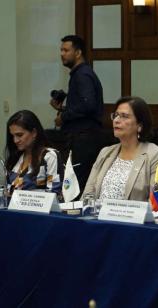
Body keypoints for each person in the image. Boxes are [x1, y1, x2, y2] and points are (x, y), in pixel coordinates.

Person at [83, 96, 158, 201]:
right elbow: (87, 195)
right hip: (98, 216)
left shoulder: (155, 155)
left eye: (124, 116)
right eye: (116, 115)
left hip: (137, 216)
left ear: (139, 125)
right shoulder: (105, 153)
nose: (116, 120)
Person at [49, 35, 104, 194]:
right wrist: (63, 110)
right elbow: (84, 106)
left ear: (78, 53)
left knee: (77, 185)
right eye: (61, 50)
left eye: (66, 50)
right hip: (82, 137)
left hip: (83, 139)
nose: (62, 54)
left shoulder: (82, 75)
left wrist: (63, 117)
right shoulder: (81, 74)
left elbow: (88, 105)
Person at [5, 110, 61, 195]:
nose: (15, 140)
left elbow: (53, 193)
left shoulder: (49, 156)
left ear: (34, 133)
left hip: (39, 207)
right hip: (12, 206)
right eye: (12, 136)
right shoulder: (16, 157)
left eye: (19, 135)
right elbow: (9, 189)